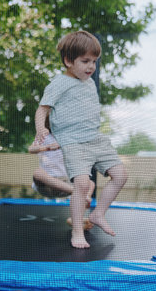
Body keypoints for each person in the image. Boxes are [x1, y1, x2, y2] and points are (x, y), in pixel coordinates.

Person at [34, 31, 128, 248]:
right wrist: (41, 129)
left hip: (96, 139)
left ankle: (98, 214)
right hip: (73, 142)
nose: (91, 66)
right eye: (85, 61)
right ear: (68, 61)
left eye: (94, 61)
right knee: (83, 184)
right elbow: (43, 109)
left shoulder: (90, 83)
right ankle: (77, 232)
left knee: (121, 174)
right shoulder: (59, 83)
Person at [28, 114, 95, 230]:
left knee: (90, 183)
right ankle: (80, 194)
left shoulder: (69, 139)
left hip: (64, 184)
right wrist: (47, 147)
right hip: (47, 185)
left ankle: (75, 219)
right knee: (37, 173)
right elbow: (31, 149)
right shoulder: (44, 137)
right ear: (48, 124)